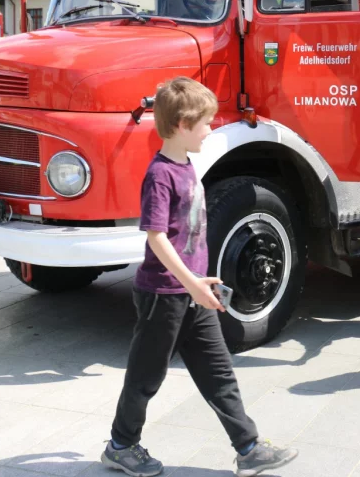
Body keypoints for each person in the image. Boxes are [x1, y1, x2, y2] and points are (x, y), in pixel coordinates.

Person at [103, 77, 298, 477]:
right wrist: (191, 283)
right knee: (146, 377)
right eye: (205, 123)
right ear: (180, 125)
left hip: (193, 292)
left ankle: (249, 448)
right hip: (163, 295)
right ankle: (121, 445)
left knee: (219, 372)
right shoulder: (160, 175)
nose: (211, 130)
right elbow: (157, 238)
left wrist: (200, 281)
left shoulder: (188, 165)